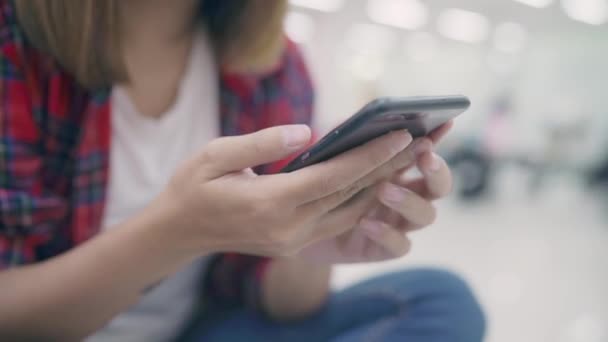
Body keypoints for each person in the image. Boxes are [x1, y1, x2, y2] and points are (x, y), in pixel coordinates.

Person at [0, 0, 485, 341]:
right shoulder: (15, 39)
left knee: (441, 300)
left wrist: (312, 239)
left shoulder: (275, 65)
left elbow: (266, 295)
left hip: (195, 328)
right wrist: (175, 234)